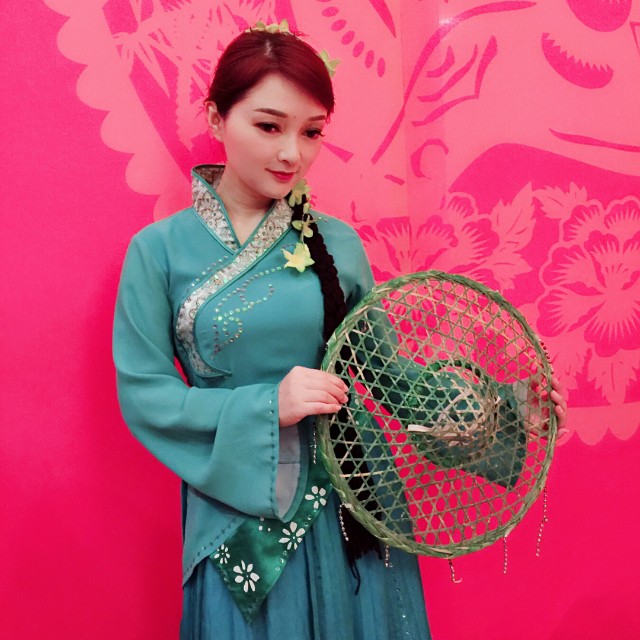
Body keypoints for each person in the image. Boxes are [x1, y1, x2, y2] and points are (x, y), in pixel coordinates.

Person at [113, 24, 567, 640]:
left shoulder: (338, 244)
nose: (291, 154)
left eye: (311, 132)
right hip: (238, 508)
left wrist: (506, 413)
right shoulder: (158, 252)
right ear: (216, 118)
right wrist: (268, 406)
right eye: (269, 126)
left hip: (354, 501)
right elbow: (146, 394)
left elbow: (389, 379)